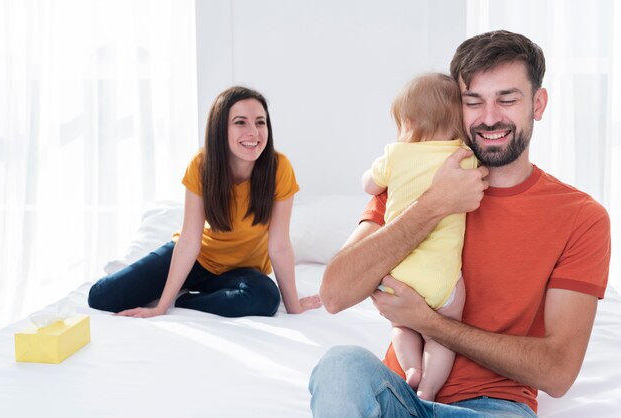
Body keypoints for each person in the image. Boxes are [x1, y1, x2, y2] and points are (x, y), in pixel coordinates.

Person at [310, 30, 610, 417]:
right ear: (457, 107)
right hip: (401, 396)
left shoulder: (580, 217)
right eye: (474, 101)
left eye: (507, 99)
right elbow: (334, 294)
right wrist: (433, 205)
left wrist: (429, 323)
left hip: (493, 408)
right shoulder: (412, 183)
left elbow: (557, 371)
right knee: (341, 366)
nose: (489, 118)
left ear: (538, 104)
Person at [88, 86, 321, 318]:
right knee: (101, 297)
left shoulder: (279, 168)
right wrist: (161, 308)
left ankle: (188, 300)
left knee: (265, 298)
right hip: (197, 259)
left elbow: (279, 246)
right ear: (220, 128)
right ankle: (179, 286)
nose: (254, 132)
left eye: (260, 122)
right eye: (240, 122)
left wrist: (294, 307)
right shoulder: (202, 165)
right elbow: (189, 241)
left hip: (242, 271)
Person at [361, 73, 476, 400]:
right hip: (442, 280)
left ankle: (411, 368)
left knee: (401, 326)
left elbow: (369, 185)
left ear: (407, 121)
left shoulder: (396, 154)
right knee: (443, 337)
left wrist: (375, 175)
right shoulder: (463, 156)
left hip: (399, 275)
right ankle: (428, 389)